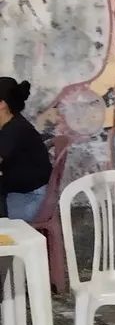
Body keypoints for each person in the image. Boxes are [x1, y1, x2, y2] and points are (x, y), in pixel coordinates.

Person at [0, 77, 52, 222]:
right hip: (20, 192)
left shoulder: (15, 129)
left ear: (2, 104)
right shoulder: (10, 124)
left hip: (29, 198)